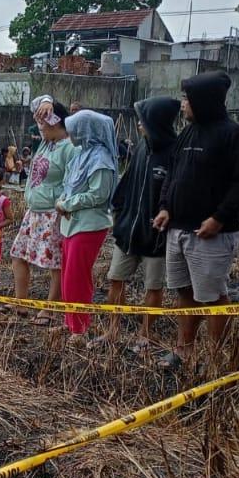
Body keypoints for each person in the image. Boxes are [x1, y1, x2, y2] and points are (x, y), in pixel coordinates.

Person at [153, 70, 239, 369]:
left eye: (187, 99)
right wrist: (165, 207)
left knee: (212, 296)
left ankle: (216, 359)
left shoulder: (235, 135)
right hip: (178, 229)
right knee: (184, 291)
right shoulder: (187, 133)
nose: (182, 104)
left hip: (211, 234)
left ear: (205, 101)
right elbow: (173, 173)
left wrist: (219, 218)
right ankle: (184, 349)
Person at [99, 96, 179, 349]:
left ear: (156, 122)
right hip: (127, 232)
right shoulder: (142, 148)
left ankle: (146, 334)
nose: (139, 126)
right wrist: (119, 214)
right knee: (116, 279)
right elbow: (127, 183)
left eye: (143, 121)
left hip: (156, 236)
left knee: (153, 286)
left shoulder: (175, 153)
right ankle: (112, 330)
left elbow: (176, 193)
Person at [11, 97, 76, 325]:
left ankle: (49, 309)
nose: (39, 129)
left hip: (53, 213)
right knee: (19, 255)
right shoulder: (46, 144)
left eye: (43, 123)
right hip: (34, 211)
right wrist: (47, 100)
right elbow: (36, 102)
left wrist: (63, 205)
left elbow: (72, 183)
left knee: (54, 263)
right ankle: (22, 303)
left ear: (55, 121)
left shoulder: (69, 148)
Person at [55, 109, 119, 340]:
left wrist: (68, 204)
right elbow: (68, 183)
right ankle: (70, 321)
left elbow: (98, 195)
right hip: (71, 223)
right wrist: (63, 201)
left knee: (77, 276)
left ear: (87, 132)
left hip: (89, 225)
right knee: (67, 275)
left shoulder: (101, 159)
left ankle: (80, 328)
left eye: (75, 130)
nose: (70, 135)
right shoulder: (82, 154)